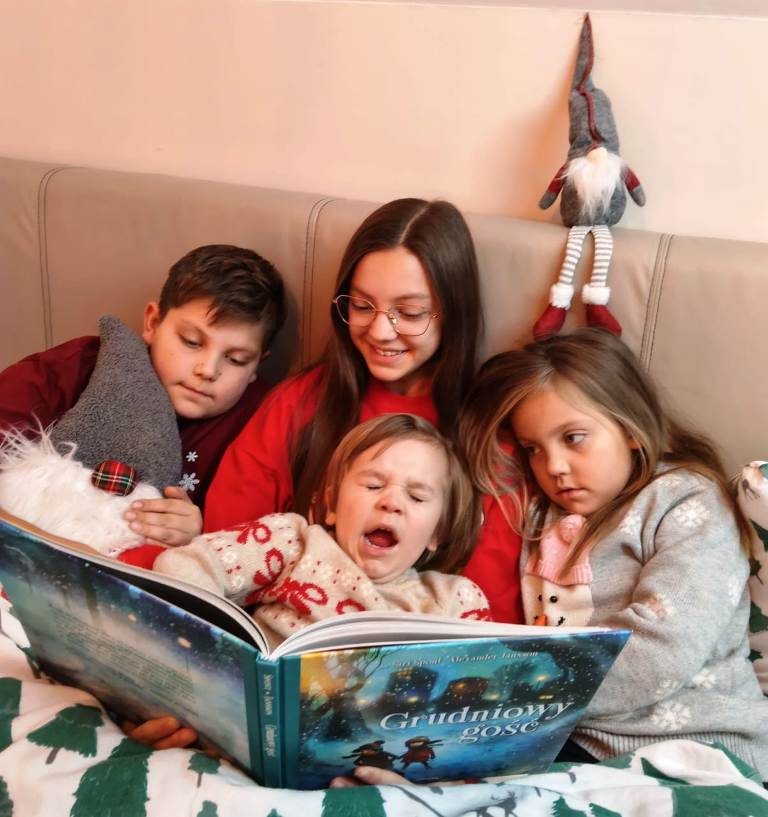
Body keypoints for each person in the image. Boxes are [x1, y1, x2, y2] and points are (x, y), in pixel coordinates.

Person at [457, 328, 768, 780]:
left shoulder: (686, 501)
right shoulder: (540, 514)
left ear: (629, 429)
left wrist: (514, 696)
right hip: (571, 744)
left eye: (574, 438)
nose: (553, 467)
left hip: (701, 746)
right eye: (533, 449)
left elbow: (660, 652)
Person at [202, 198, 523, 623]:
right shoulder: (299, 403)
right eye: (362, 306)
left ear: (454, 314)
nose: (380, 331)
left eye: (409, 313)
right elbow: (221, 552)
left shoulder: (490, 440)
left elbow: (489, 623)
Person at [0, 244, 285, 548]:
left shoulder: (258, 420)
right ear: (152, 323)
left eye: (237, 359)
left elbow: (250, 539)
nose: (207, 370)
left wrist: (198, 534)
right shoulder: (82, 364)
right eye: (191, 342)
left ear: (257, 365)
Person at [153, 414, 489, 650]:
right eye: (373, 485)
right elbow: (182, 566)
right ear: (332, 504)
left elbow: (486, 682)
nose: (391, 502)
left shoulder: (451, 601)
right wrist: (218, 651)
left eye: (416, 497)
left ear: (437, 533)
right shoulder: (293, 542)